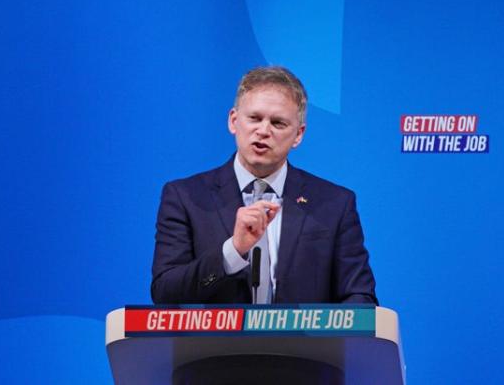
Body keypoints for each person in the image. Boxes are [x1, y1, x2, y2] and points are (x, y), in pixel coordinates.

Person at [150, 66, 377, 304]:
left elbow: (359, 296)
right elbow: (165, 291)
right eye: (255, 118)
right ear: (234, 121)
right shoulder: (185, 197)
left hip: (305, 343)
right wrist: (233, 251)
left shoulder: (335, 204)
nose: (263, 131)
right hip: (216, 342)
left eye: (278, 123)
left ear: (298, 135)